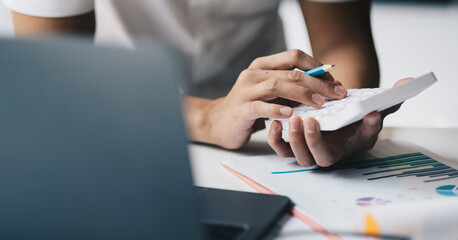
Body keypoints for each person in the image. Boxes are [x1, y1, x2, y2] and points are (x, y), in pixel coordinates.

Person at [3, 0, 407, 167]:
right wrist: (209, 117)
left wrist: (340, 117)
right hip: (111, 124)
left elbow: (343, 42)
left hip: (272, 138)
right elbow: (55, 73)